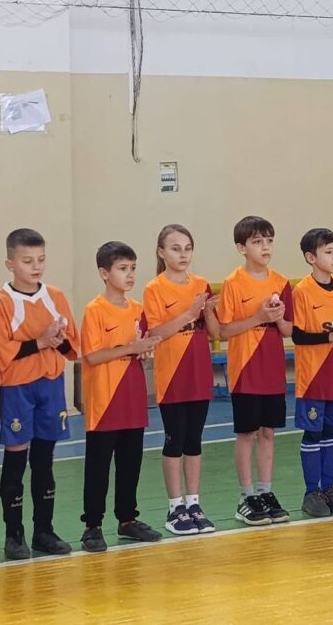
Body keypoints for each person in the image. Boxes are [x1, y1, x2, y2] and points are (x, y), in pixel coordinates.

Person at [0, 228, 78, 559]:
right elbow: (1, 351)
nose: (36, 266)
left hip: (50, 385)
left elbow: (72, 346)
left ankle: (44, 530)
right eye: (27, 261)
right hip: (18, 388)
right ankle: (14, 534)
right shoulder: (1, 301)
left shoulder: (55, 295)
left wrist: (57, 340)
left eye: (40, 259)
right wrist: (40, 341)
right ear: (10, 263)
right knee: (15, 460)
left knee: (44, 460)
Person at [79, 242, 163, 552]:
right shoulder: (95, 310)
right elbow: (92, 356)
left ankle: (127, 519)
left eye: (133, 269)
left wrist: (145, 350)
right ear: (104, 273)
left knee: (130, 463)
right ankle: (92, 525)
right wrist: (131, 348)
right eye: (122, 269)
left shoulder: (138, 309)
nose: (129, 275)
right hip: (104, 401)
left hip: (132, 396)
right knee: (98, 467)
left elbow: (140, 346)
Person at [216, 216, 294, 526]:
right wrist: (259, 317)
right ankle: (246, 496)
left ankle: (265, 491)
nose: (265, 247)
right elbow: (223, 331)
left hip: (272, 369)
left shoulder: (281, 282)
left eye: (269, 241)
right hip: (245, 369)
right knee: (247, 433)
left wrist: (278, 317)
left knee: (268, 432)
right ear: (242, 247)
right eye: (257, 241)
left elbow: (288, 330)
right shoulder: (233, 283)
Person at [144, 224, 219, 536]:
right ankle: (175, 507)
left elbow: (214, 333)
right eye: (175, 248)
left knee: (194, 441)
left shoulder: (201, 284)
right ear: (161, 252)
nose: (183, 254)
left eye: (187, 248)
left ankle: (194, 503)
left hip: (199, 372)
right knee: (174, 441)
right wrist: (189, 314)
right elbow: (155, 333)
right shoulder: (154, 289)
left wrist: (209, 311)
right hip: (172, 374)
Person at [291, 228, 333, 518]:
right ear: (311, 257)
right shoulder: (302, 291)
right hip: (312, 375)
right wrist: (332, 336)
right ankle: (312, 492)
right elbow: (297, 335)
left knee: (332, 431)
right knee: (314, 431)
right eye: (328, 252)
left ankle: (329, 488)